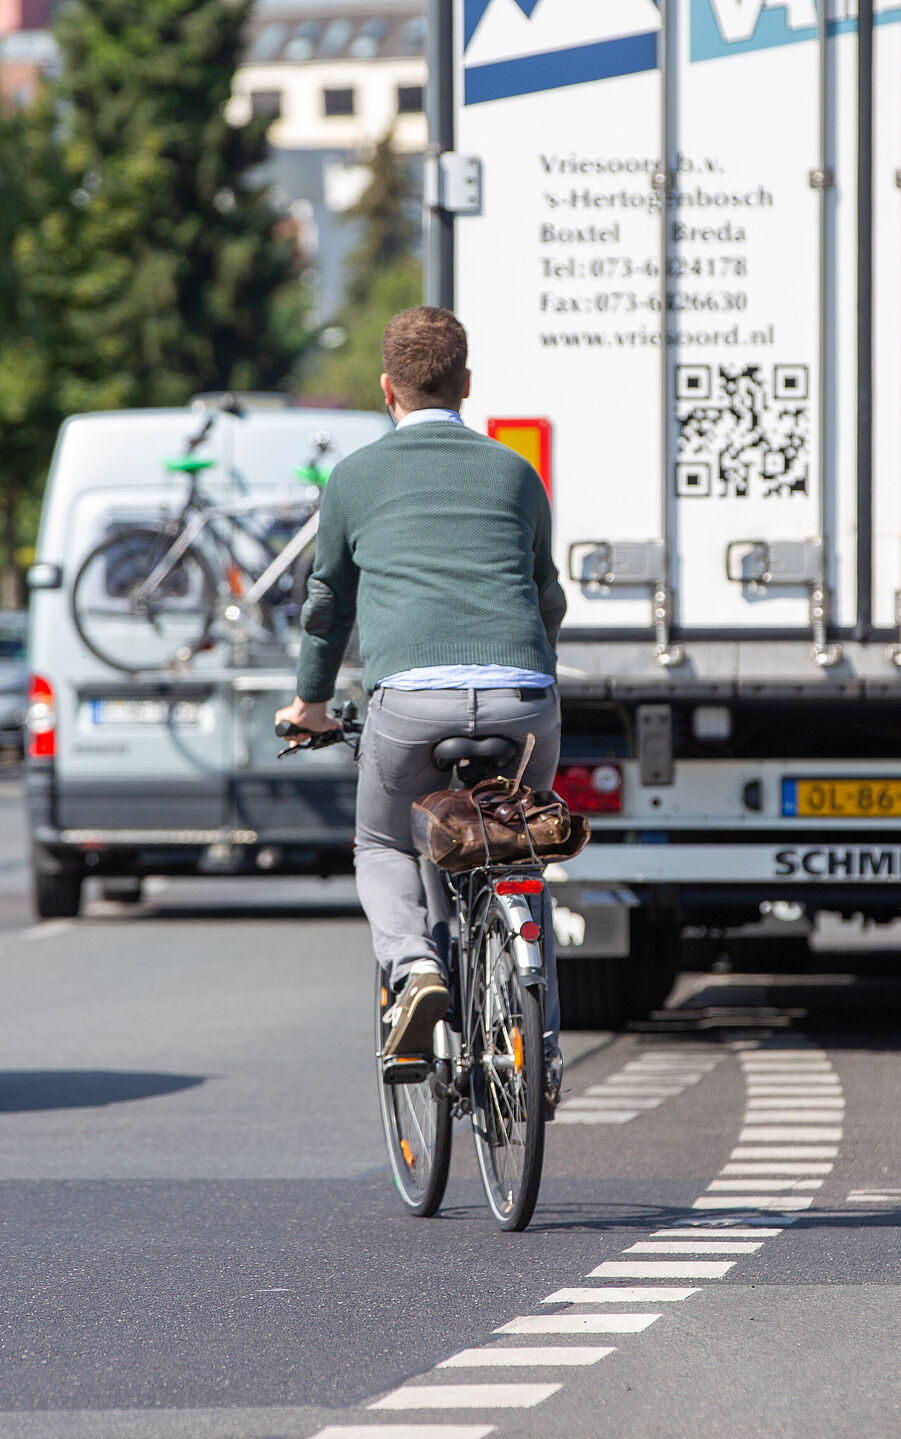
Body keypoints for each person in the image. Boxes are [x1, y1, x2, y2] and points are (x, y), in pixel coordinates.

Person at [275, 306, 567, 1090]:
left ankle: (414, 968)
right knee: (520, 835)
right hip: (522, 700)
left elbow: (326, 606)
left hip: (409, 705)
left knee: (382, 843)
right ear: (465, 384)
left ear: (385, 390)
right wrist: (530, 674)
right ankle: (533, 1009)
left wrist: (309, 704)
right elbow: (547, 598)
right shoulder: (513, 472)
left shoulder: (354, 478)